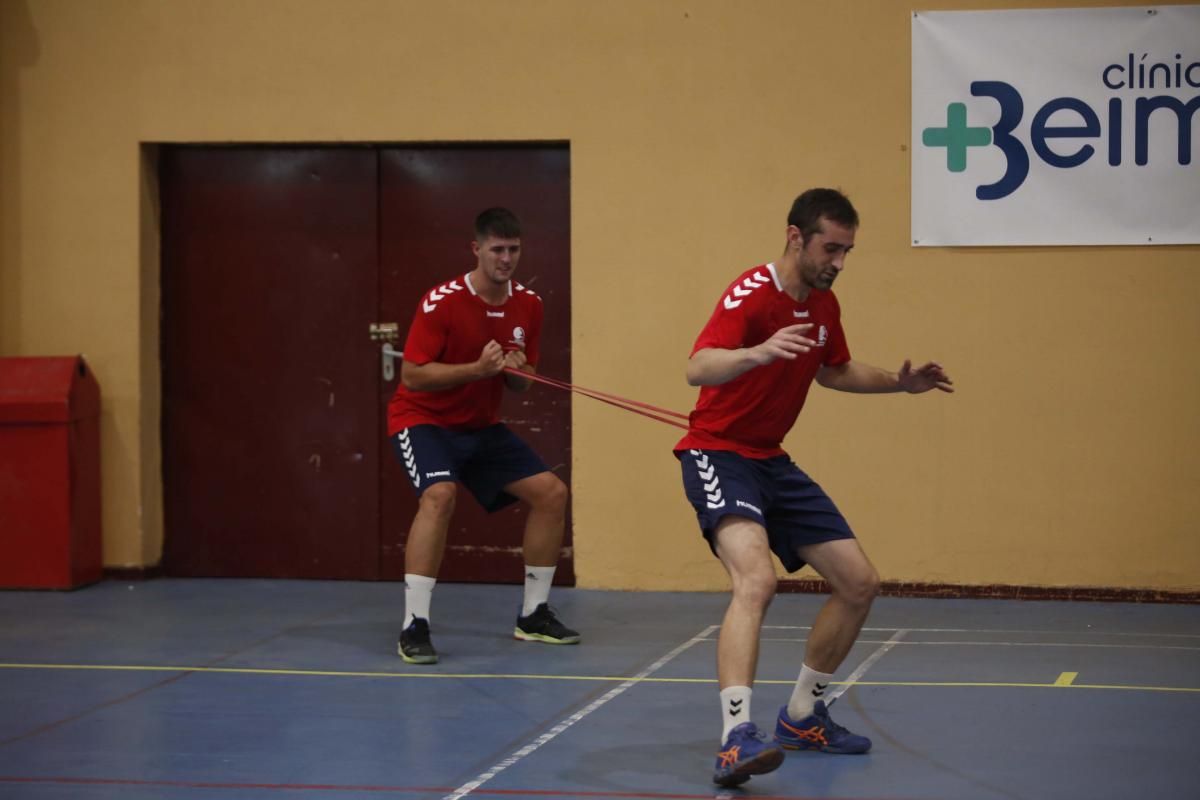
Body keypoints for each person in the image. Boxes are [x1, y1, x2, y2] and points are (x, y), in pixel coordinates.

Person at [675, 189, 953, 787]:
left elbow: (835, 370)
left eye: (848, 250)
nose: (840, 262)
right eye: (832, 248)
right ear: (796, 236)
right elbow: (698, 366)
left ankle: (802, 717)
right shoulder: (751, 293)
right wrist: (757, 352)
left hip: (772, 461)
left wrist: (898, 385)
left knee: (859, 582)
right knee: (757, 580)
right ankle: (734, 739)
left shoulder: (824, 304)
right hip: (718, 454)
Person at [388, 207, 579, 665]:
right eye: (497, 249)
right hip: (423, 421)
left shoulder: (529, 304)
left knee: (552, 493)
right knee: (439, 495)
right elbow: (413, 375)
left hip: (479, 427)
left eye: (514, 249)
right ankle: (414, 625)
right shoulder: (442, 301)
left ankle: (533, 615)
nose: (506, 259)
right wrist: (478, 369)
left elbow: (525, 380)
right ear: (477, 249)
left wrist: (514, 372)